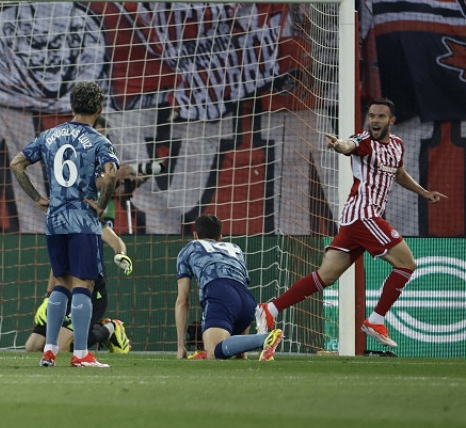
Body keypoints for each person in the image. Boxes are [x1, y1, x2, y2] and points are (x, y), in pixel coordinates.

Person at [256, 98, 447, 348]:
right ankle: (376, 320)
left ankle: (270, 308)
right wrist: (338, 144)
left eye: (381, 116)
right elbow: (348, 146)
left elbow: (398, 173)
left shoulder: (397, 145)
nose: (375, 120)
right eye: (372, 116)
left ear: (392, 121)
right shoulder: (363, 141)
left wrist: (424, 193)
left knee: (327, 275)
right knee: (407, 263)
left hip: (354, 221)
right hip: (363, 216)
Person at [9, 80, 118, 368]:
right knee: (84, 284)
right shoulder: (98, 140)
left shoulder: (49, 135)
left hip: (55, 219)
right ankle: (81, 354)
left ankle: (50, 350)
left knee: (61, 282)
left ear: (72, 106)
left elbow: (17, 164)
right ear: (99, 108)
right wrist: (102, 205)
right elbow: (110, 175)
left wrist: (37, 198)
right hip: (82, 219)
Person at [23, 114, 132, 356]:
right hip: (64, 285)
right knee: (32, 346)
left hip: (89, 287)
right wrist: (47, 296)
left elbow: (114, 238)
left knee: (63, 346)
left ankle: (110, 330)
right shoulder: (64, 208)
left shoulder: (86, 209)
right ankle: (64, 349)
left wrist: (121, 253)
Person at [175, 214, 283, 362]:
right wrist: (242, 348)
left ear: (195, 235)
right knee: (229, 352)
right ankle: (250, 344)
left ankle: (264, 339)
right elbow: (241, 286)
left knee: (212, 351)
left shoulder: (190, 248)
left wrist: (181, 346)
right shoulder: (235, 248)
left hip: (219, 292)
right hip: (247, 300)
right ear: (220, 236)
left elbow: (183, 301)